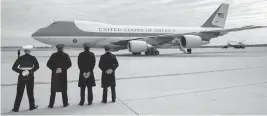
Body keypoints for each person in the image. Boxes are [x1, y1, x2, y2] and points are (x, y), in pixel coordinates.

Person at [12, 45, 39, 112]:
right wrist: (30, 71)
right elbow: (37, 67)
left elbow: (14, 67)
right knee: (30, 92)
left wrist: (21, 72)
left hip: (21, 77)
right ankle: (32, 106)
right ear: (30, 51)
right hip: (30, 77)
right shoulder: (33, 58)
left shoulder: (20, 58)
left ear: (24, 51)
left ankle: (16, 108)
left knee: (19, 93)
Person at [47, 44, 72, 108]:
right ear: (63, 48)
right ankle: (65, 103)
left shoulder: (53, 55)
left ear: (57, 48)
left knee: (53, 90)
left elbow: (48, 64)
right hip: (63, 74)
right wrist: (62, 69)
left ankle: (51, 104)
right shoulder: (66, 55)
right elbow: (69, 64)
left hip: (55, 75)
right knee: (63, 89)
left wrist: (54, 69)